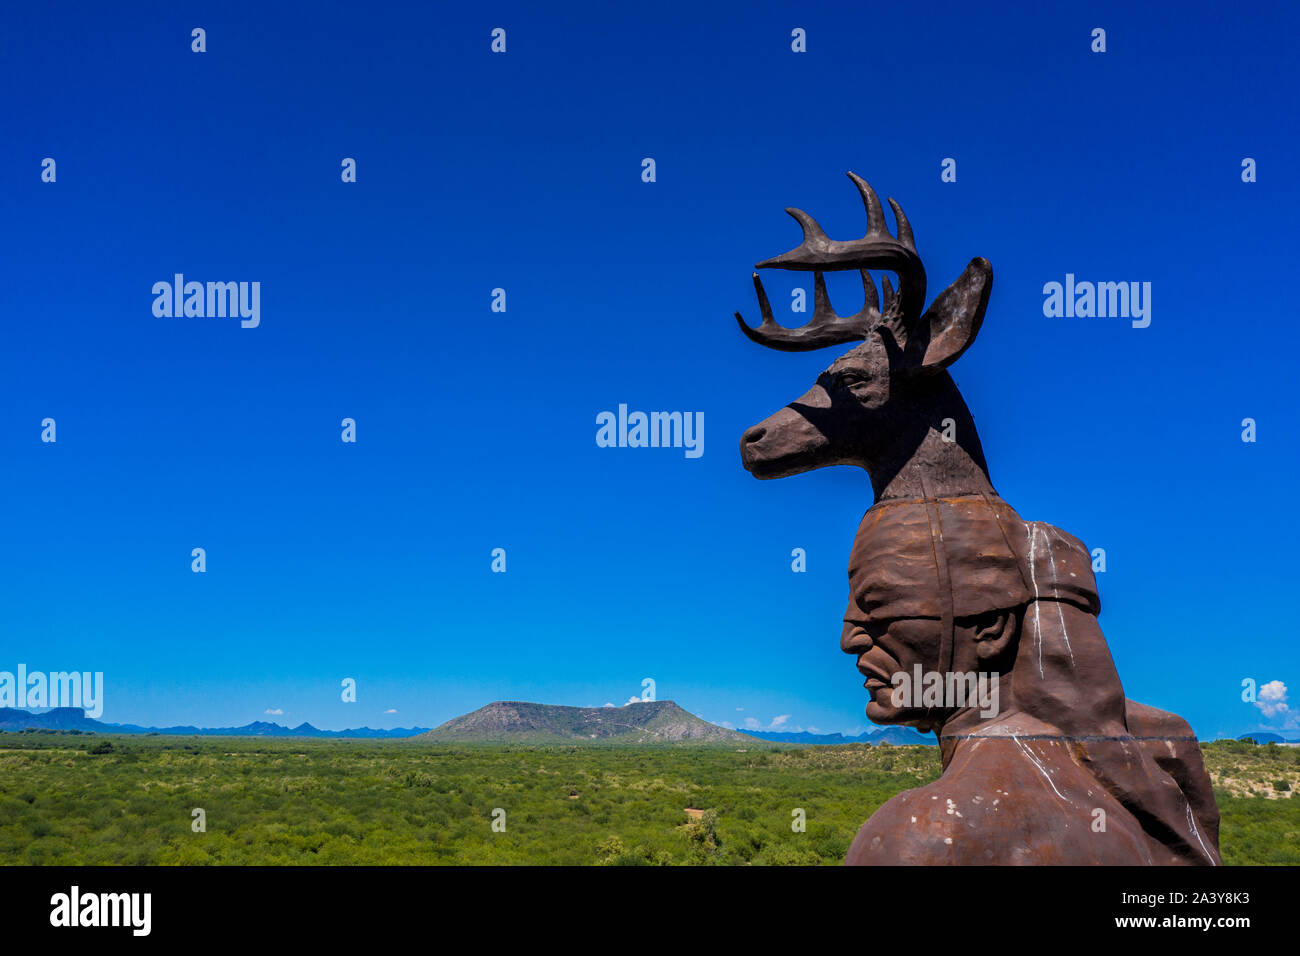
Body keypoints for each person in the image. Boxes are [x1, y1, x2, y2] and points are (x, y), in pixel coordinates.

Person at [839, 493, 1221, 865]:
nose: (849, 639)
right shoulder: (1141, 770)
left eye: (878, 606)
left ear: (990, 627)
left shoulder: (926, 834)